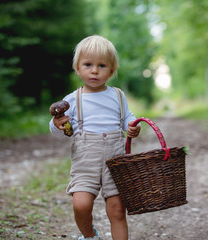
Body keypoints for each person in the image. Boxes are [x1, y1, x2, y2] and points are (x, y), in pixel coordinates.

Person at [49, 35, 141, 240]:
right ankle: (90, 236)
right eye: (88, 64)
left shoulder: (117, 95)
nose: (94, 70)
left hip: (116, 158)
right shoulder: (72, 99)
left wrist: (131, 126)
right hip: (85, 159)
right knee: (81, 205)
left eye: (101, 65)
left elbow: (127, 117)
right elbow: (59, 131)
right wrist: (56, 124)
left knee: (117, 209)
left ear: (111, 70)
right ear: (78, 68)